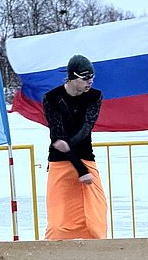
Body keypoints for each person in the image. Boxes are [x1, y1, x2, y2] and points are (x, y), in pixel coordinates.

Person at [42, 55, 108, 240]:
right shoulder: (51, 98)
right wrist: (79, 169)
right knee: (57, 225)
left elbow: (86, 128)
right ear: (72, 77)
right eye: (85, 78)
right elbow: (58, 136)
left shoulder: (95, 96)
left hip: (86, 160)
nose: (90, 82)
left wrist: (81, 167)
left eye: (92, 77)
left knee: (95, 220)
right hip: (60, 164)